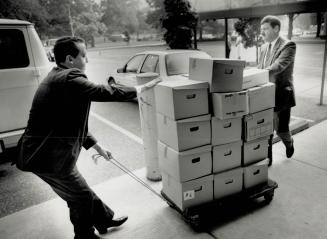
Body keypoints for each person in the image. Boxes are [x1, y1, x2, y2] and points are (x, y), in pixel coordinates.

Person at [14, 36, 137, 239]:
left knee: (79, 191)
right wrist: (138, 90)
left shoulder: (58, 77)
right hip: (47, 158)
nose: (86, 61)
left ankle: (103, 219)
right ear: (70, 59)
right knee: (80, 196)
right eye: (84, 55)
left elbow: (70, 122)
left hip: (44, 155)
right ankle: (84, 235)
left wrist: (99, 148)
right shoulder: (69, 78)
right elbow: (101, 91)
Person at [258, 15, 296, 159]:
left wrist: (258, 73)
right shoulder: (263, 47)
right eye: (261, 29)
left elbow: (278, 66)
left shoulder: (289, 45)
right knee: (266, 130)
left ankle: (289, 143)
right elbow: (260, 66)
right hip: (264, 94)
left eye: (265, 29)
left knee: (281, 130)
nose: (262, 32)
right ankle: (268, 158)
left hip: (281, 94)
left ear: (276, 28)